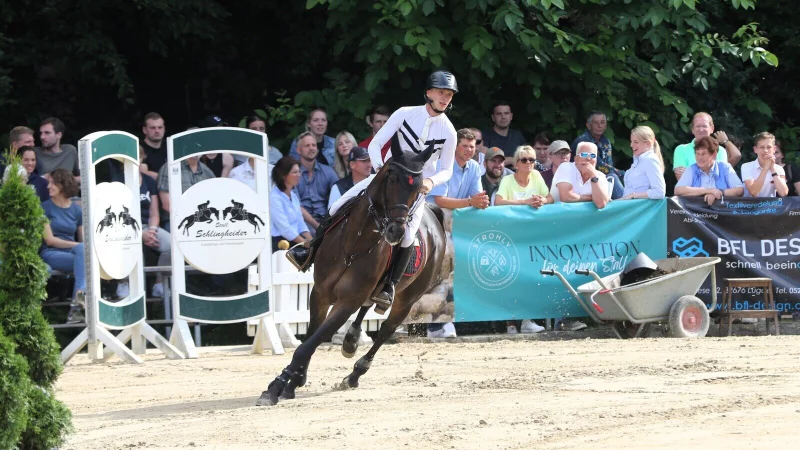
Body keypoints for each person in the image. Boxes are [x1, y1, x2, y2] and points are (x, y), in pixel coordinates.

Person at [289, 71, 458, 310]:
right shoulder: (404, 114)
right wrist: (381, 171)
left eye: (449, 95)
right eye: (441, 92)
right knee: (337, 205)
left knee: (409, 235)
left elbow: (448, 169)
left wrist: (431, 182)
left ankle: (389, 286)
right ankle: (308, 251)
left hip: (413, 191)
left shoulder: (449, 131)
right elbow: (377, 143)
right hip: (384, 179)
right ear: (428, 92)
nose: (445, 98)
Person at [40, 169, 85, 324]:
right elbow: (50, 240)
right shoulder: (44, 207)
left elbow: (83, 239)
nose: (48, 186)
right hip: (51, 253)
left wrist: (80, 246)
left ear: (63, 185)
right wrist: (79, 246)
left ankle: (77, 302)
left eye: (53, 183)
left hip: (74, 255)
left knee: (84, 253)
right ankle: (78, 305)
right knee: (83, 252)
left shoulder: (77, 210)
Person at [674, 136, 743, 205]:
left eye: (703, 154)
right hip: (696, 213)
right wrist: (709, 191)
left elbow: (739, 190)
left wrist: (720, 193)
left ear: (714, 155)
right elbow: (678, 190)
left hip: (722, 211)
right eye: (697, 154)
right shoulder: (692, 169)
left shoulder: (725, 167)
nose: (700, 158)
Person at [673, 112, 742, 181]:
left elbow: (721, 178)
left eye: (704, 126)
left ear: (712, 129)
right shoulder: (681, 149)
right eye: (698, 126)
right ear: (692, 129)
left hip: (716, 191)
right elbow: (682, 180)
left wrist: (689, 173)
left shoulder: (720, 150)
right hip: (692, 191)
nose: (701, 129)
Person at [570, 111, 624, 199]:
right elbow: (598, 165)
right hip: (580, 177)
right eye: (596, 123)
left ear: (606, 125)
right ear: (588, 125)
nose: (600, 126)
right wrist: (622, 174)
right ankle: (625, 204)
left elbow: (609, 165)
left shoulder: (606, 141)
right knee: (616, 176)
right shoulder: (583, 141)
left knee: (613, 176)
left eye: (602, 122)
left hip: (599, 176)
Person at [293, 131, 339, 233]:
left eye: (314, 145)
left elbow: (339, 198)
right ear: (298, 150)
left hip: (326, 221)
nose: (311, 148)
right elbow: (296, 206)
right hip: (301, 224)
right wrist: (318, 227)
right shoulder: (292, 174)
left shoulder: (328, 172)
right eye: (307, 145)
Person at [550, 142, 610, 209]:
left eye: (593, 155)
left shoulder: (601, 176)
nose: (588, 158)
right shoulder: (565, 167)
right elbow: (566, 197)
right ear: (576, 159)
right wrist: (592, 198)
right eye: (584, 154)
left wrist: (593, 176)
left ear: (596, 161)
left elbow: (601, 204)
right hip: (561, 216)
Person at [270, 156, 312, 251]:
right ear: (283, 175)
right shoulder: (274, 197)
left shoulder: (293, 196)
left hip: (297, 241)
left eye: (299, 172)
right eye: (294, 172)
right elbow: (285, 229)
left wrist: (312, 241)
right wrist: (307, 245)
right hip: (281, 244)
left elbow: (301, 223)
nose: (299, 175)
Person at [620, 126, 667, 200]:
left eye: (636, 142)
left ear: (648, 144)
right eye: (631, 141)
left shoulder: (650, 160)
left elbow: (659, 192)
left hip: (640, 209)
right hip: (630, 206)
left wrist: (634, 195)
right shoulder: (638, 160)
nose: (631, 145)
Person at [741, 132, 789, 198]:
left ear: (774, 149)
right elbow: (754, 192)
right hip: (750, 206)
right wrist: (765, 168)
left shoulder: (779, 169)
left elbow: (783, 193)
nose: (765, 150)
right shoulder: (746, 166)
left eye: (769, 147)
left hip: (770, 207)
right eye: (762, 147)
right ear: (755, 149)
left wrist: (773, 169)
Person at [35, 117, 81, 183]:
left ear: (59, 135)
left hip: (68, 192)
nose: (42, 137)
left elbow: (83, 177)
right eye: (41, 133)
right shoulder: (35, 153)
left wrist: (66, 180)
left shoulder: (70, 150)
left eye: (47, 133)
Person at [140, 112, 167, 179]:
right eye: (153, 128)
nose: (157, 131)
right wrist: (167, 179)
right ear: (144, 130)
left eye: (160, 127)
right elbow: (143, 172)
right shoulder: (139, 148)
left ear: (164, 129)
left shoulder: (170, 146)